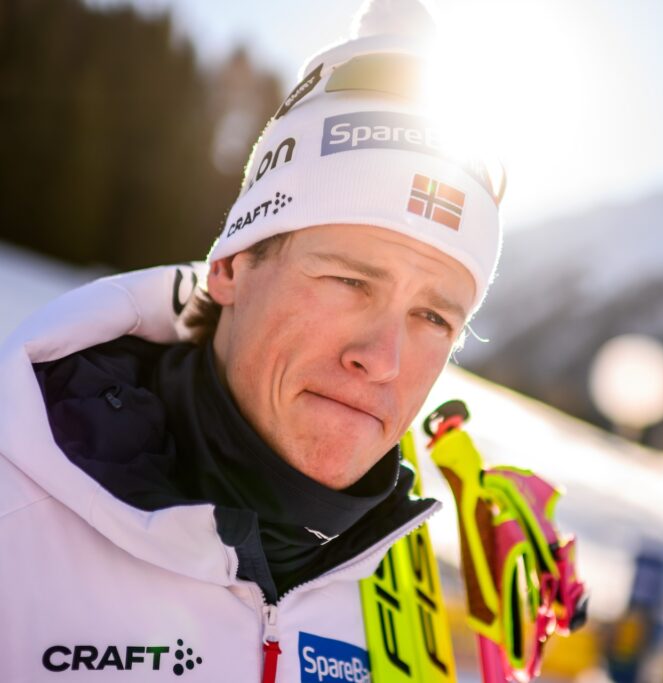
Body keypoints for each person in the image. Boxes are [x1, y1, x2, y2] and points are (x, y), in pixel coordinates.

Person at [0, 0, 503, 679]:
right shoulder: (15, 517)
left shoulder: (393, 589)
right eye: (349, 281)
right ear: (233, 266)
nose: (383, 360)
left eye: (435, 318)